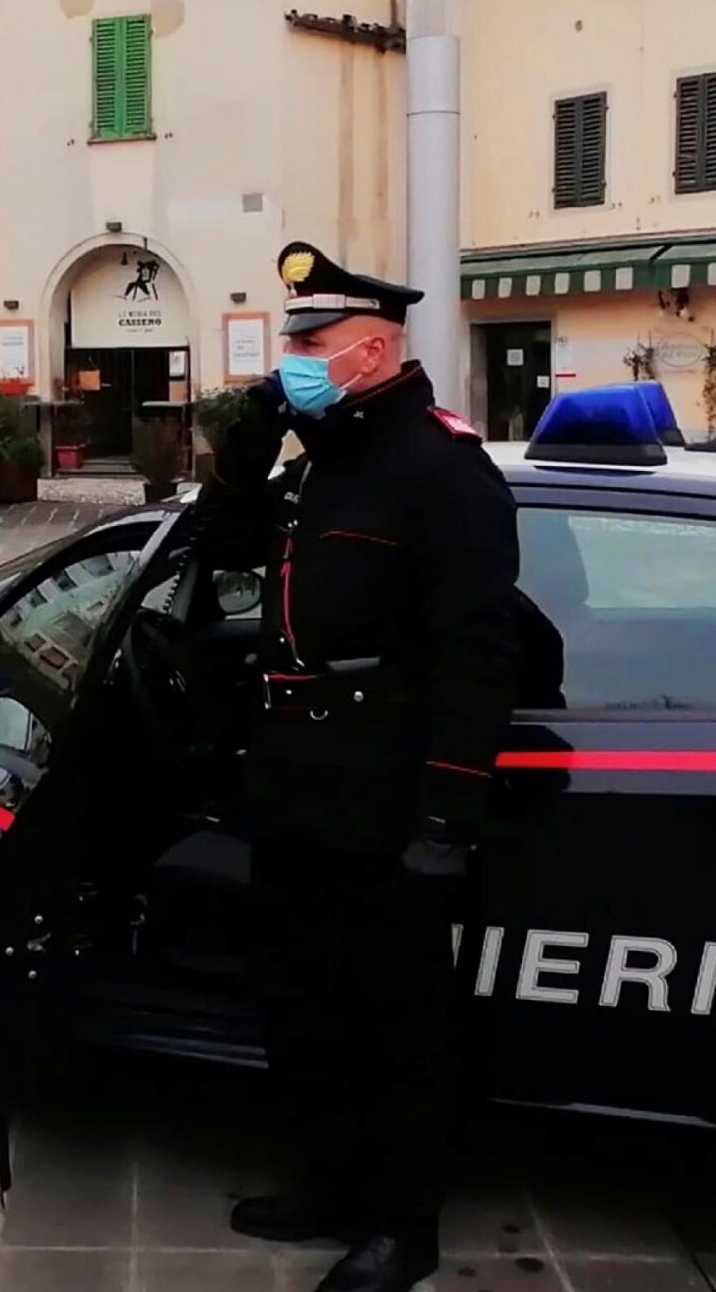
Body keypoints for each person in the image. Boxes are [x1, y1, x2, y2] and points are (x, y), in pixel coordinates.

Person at [194, 241, 561, 1292]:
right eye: (290, 341)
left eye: (307, 342)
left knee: (399, 1022)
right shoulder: (320, 458)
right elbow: (219, 554)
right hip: (293, 779)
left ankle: (404, 1224)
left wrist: (447, 813)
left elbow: (476, 653)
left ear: (372, 347)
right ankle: (325, 1184)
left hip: (385, 785)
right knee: (300, 1005)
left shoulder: (441, 470)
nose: (291, 357)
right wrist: (244, 450)